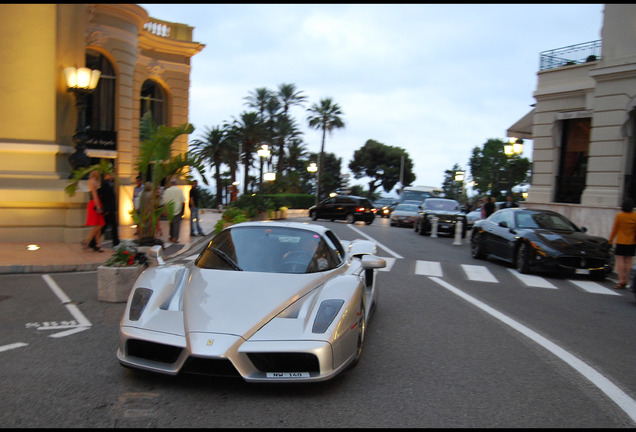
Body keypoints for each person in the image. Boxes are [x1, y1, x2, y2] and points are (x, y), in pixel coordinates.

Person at [608, 198, 636, 289]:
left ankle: (621, 280)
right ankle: (626, 280)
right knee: (628, 262)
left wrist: (610, 240)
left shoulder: (619, 216)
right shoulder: (634, 216)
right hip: (632, 242)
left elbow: (615, 230)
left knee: (620, 261)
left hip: (621, 241)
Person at [82, 170, 105, 253]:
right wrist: (98, 206)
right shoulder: (93, 181)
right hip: (95, 204)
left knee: (99, 224)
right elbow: (94, 194)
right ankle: (87, 239)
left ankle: (98, 245)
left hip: (96, 203)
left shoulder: (93, 181)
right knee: (100, 224)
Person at [161, 178, 186, 243]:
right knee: (176, 224)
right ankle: (175, 238)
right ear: (176, 183)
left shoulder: (167, 191)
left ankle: (171, 236)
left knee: (171, 224)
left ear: (170, 184)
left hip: (170, 210)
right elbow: (183, 201)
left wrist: (164, 210)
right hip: (178, 209)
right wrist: (183, 210)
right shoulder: (179, 190)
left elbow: (164, 202)